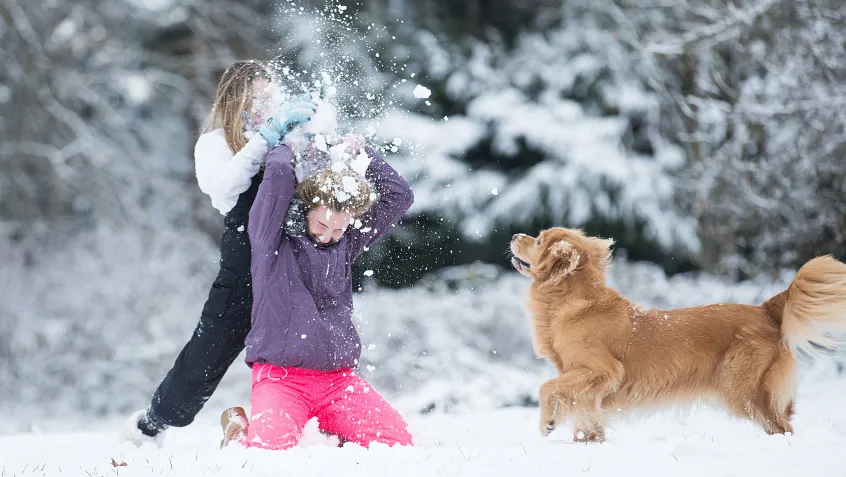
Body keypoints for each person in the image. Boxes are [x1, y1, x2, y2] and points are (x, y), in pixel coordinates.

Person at [119, 60, 319, 444]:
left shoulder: (285, 138)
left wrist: (322, 144)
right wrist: (266, 138)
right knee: (208, 352)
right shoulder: (214, 143)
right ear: (235, 100)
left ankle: (300, 425)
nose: (264, 105)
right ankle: (150, 427)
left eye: (269, 95)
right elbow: (223, 192)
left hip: (287, 257)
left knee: (304, 343)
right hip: (243, 263)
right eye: (254, 97)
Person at [218, 130, 415, 450]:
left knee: (397, 444)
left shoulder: (346, 244)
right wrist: (287, 141)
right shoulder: (272, 242)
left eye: (338, 228)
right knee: (268, 454)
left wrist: (361, 153)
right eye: (321, 226)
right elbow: (280, 174)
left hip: (338, 381)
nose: (328, 236)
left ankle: (330, 429)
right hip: (282, 379)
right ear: (305, 210)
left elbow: (399, 195)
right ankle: (239, 428)